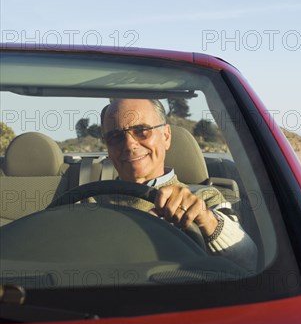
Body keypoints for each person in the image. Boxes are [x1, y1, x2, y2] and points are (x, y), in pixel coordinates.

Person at [100, 98, 257, 272]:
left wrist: (206, 220)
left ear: (166, 136)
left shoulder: (205, 197)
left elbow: (249, 260)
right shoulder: (88, 202)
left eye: (141, 131)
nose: (129, 145)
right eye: (115, 137)